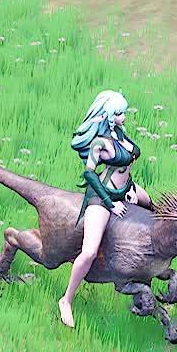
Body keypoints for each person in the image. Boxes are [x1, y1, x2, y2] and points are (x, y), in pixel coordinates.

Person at [58, 89, 153, 328]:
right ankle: (67, 299)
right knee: (89, 251)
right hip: (102, 197)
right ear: (109, 115)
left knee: (153, 208)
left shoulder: (120, 134)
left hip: (127, 189)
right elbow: (89, 175)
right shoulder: (100, 144)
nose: (124, 117)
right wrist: (110, 203)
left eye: (123, 112)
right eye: (119, 113)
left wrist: (128, 191)